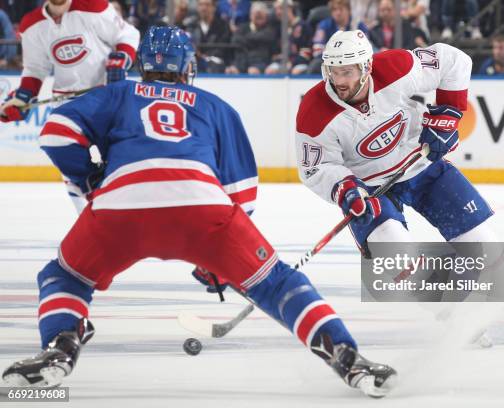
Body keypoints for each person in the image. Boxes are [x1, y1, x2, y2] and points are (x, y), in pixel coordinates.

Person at [1, 26, 397, 398]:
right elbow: (242, 194)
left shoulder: (119, 94)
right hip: (204, 209)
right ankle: (349, 359)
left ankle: (59, 347)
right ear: (189, 67)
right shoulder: (214, 105)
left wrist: (90, 181)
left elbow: (56, 134)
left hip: (120, 206)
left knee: (65, 276)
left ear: (142, 66)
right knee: (275, 284)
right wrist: (221, 263)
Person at [294, 29, 504, 345]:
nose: (339, 80)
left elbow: (453, 59)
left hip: (419, 162)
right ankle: (456, 316)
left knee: (481, 242)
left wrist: (449, 114)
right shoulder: (314, 110)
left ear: (366, 67)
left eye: (347, 71)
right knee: (398, 257)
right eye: (333, 71)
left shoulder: (393, 67)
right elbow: (316, 167)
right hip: (370, 188)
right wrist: (345, 190)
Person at [0, 0, 140, 213]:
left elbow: (128, 35)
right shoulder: (31, 24)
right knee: (69, 165)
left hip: (105, 96)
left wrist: (121, 59)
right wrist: (23, 97)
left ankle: (124, 216)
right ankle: (86, 220)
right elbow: (35, 69)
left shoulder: (93, 6)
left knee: (118, 161)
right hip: (68, 104)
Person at [307, 0, 368, 73]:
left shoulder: (359, 26)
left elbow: (365, 49)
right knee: (316, 64)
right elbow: (317, 50)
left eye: (341, 9)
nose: (338, 13)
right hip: (330, 62)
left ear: (349, 10)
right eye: (334, 10)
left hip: (353, 62)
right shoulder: (324, 25)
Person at [225, 1, 276, 74]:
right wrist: (254, 40)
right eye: (256, 15)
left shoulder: (269, 28)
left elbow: (266, 37)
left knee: (252, 71)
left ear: (266, 15)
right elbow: (235, 40)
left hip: (261, 62)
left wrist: (246, 39)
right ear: (250, 15)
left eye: (260, 15)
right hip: (241, 60)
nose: (258, 17)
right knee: (230, 70)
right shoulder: (243, 27)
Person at [264, 0, 313, 75]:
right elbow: (276, 54)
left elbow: (306, 52)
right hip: (283, 62)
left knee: (295, 72)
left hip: (300, 63)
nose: (278, 12)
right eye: (276, 9)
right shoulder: (279, 29)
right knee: (270, 70)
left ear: (289, 9)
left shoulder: (303, 26)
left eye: (280, 8)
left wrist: (292, 63)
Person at [187, 0, 232, 73]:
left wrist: (204, 57)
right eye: (201, 5)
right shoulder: (191, 26)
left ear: (214, 7)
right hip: (195, 62)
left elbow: (223, 48)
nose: (204, 8)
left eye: (207, 5)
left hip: (216, 63)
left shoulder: (223, 26)